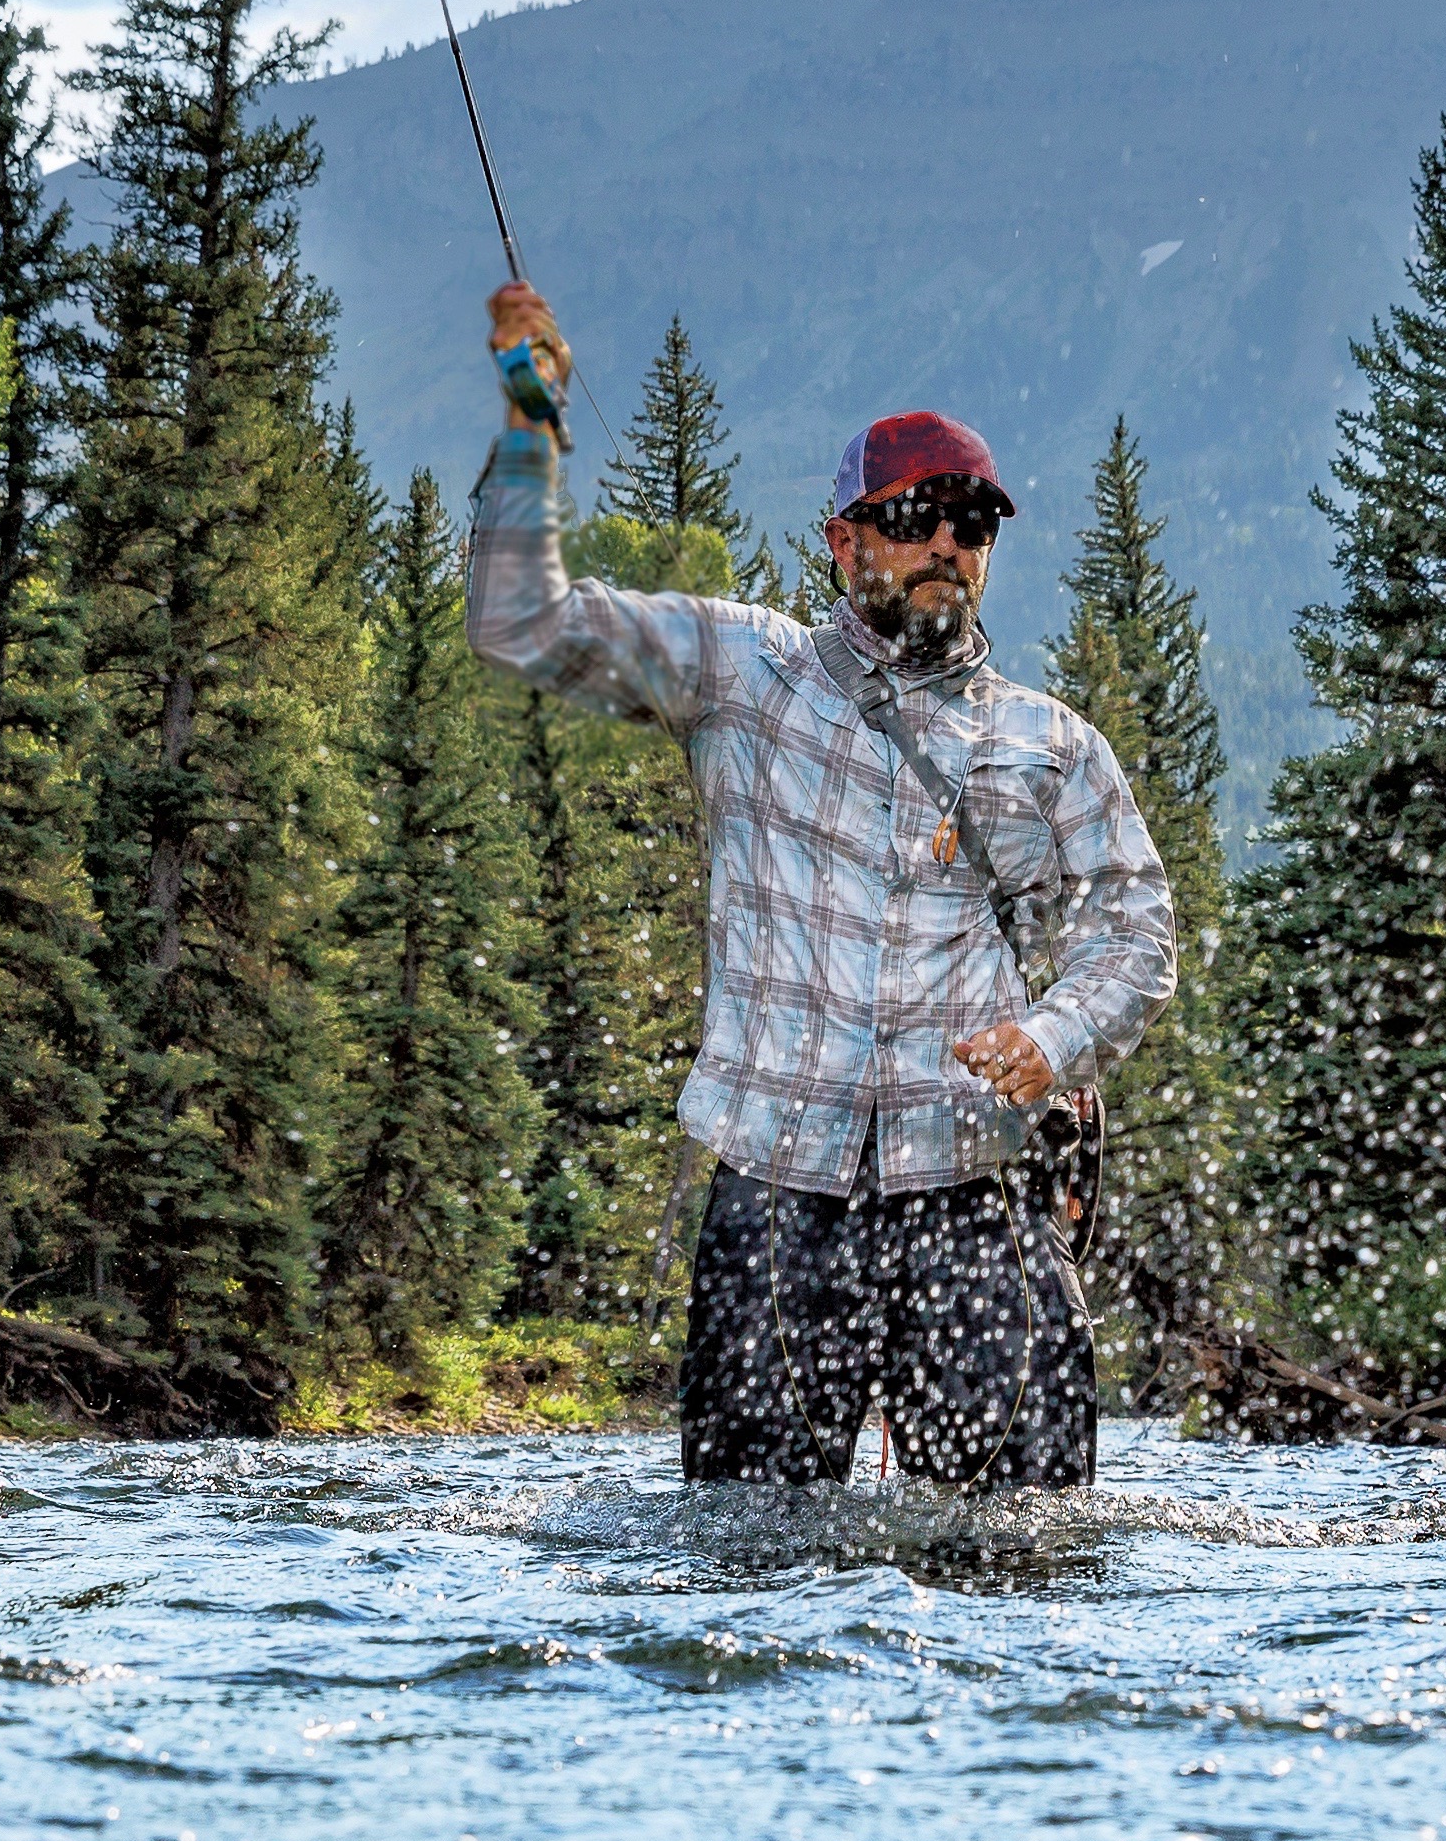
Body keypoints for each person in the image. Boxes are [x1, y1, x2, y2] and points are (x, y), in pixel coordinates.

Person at [464, 283, 1177, 1492]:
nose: (946, 542)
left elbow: (1139, 938)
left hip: (978, 1195)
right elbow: (516, 622)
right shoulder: (742, 672)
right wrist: (530, 428)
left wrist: (1054, 1037)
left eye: (971, 522)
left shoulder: (1054, 744)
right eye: (913, 516)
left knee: (1026, 1557)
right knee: (746, 1561)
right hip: (776, 1201)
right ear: (845, 542)